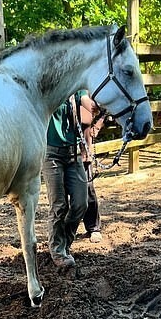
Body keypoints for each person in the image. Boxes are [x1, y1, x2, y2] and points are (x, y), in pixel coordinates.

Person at [42, 91, 93, 268]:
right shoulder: (51, 85)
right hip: (51, 153)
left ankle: (64, 242)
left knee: (81, 203)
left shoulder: (77, 89)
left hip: (73, 152)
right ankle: (58, 250)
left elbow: (89, 104)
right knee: (59, 205)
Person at [79, 98, 104, 243]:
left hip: (83, 150)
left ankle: (93, 227)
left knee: (88, 189)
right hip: (63, 151)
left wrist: (97, 127)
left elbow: (104, 107)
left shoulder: (88, 91)